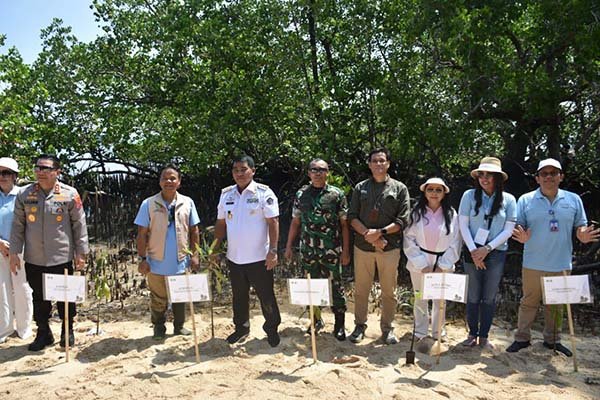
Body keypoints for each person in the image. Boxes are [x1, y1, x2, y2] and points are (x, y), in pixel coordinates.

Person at [508, 158, 599, 356]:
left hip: (561, 263)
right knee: (528, 302)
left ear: (561, 177)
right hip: (533, 262)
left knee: (556, 304)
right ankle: (522, 338)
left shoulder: (573, 199)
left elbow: (580, 226)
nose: (548, 177)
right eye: (544, 173)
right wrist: (521, 236)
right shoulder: (525, 200)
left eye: (553, 173)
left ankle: (553, 340)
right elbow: (519, 226)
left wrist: (583, 235)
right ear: (537, 178)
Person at [9, 154, 89, 351]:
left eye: (45, 168)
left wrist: (81, 252)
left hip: (61, 256)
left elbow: (79, 224)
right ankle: (43, 332)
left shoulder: (69, 194)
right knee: (39, 297)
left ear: (57, 172)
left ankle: (67, 330)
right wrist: (14, 252)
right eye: (37, 168)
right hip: (34, 257)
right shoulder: (25, 194)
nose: (40, 172)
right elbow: (18, 225)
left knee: (65, 296)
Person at [214, 155, 281, 347]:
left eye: (243, 169)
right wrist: (214, 249)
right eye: (236, 170)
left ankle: (271, 329)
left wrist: (273, 250)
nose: (239, 173)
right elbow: (221, 224)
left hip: (259, 257)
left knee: (266, 296)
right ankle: (241, 328)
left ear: (253, 171)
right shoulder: (226, 194)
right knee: (239, 296)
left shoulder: (263, 193)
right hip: (235, 258)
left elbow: (273, 222)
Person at [347, 148, 410, 344]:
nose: (378, 164)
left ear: (388, 164)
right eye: (374, 161)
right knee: (361, 290)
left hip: (389, 248)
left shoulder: (400, 188)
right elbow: (352, 217)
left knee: (389, 291)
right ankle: (359, 325)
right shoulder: (360, 188)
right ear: (369, 164)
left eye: (382, 160)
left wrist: (380, 233)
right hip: (363, 246)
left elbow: (402, 220)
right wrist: (370, 236)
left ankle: (387, 328)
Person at [284, 158, 351, 340]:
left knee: (335, 286)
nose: (318, 173)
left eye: (322, 170)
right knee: (311, 286)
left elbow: (345, 225)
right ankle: (316, 320)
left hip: (331, 250)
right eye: (314, 169)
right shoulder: (301, 194)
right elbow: (296, 222)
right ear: (309, 173)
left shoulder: (336, 195)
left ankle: (339, 324)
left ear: (327, 173)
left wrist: (346, 251)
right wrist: (288, 246)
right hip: (308, 250)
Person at [134, 164, 201, 340]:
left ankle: (179, 326)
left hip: (181, 260)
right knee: (158, 298)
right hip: (156, 261)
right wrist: (142, 258)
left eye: (173, 178)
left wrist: (195, 255)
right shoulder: (148, 204)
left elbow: (194, 230)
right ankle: (158, 327)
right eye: (165, 178)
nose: (169, 182)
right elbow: (141, 233)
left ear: (179, 182)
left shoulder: (188, 202)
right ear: (160, 181)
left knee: (180, 296)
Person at [458, 157, 516, 349]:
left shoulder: (509, 200)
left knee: (489, 297)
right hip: (472, 250)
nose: (484, 178)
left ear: (497, 177)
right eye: (481, 174)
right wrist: (474, 251)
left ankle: (484, 336)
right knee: (473, 295)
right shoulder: (469, 196)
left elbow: (508, 230)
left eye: (489, 174)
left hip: (495, 252)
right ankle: (472, 334)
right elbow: (463, 225)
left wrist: (487, 248)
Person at [403, 178, 461, 342]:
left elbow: (456, 241)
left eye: (438, 190)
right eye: (430, 189)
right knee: (420, 297)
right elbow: (408, 238)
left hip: (443, 262)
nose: (434, 193)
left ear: (444, 193)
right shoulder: (416, 213)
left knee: (440, 300)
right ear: (425, 192)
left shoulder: (451, 214)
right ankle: (420, 331)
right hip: (419, 263)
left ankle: (438, 331)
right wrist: (421, 264)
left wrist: (442, 265)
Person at [0, 157, 33, 343]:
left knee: (22, 288)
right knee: (1, 290)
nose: (2, 176)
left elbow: (31, 223)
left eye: (6, 173)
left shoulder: (24, 195)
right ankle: (4, 330)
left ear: (14, 176)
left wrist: (14, 247)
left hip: (20, 249)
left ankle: (24, 329)